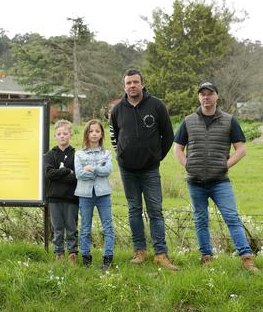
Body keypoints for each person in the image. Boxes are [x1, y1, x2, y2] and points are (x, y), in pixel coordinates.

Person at [173, 82, 260, 273]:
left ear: (216, 97)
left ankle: (246, 258)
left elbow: (242, 149)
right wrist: (187, 164)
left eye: (210, 94)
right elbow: (177, 148)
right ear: (199, 98)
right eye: (202, 94)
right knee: (201, 220)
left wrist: (225, 165)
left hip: (220, 182)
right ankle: (206, 257)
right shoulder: (188, 121)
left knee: (231, 217)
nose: (206, 97)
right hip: (195, 182)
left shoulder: (230, 121)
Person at [109, 69, 179, 271]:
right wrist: (121, 155)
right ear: (124, 86)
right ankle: (139, 251)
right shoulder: (117, 110)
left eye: (135, 82)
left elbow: (168, 135)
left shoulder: (156, 105)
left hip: (150, 170)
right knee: (134, 210)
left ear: (142, 84)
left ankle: (160, 254)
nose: (132, 86)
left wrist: (156, 157)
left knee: (155, 211)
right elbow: (115, 135)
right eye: (128, 83)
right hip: (127, 170)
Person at [74, 120, 115, 271]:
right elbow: (79, 173)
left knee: (108, 227)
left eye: (97, 131)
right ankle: (86, 258)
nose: (94, 134)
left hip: (103, 194)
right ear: (86, 133)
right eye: (91, 131)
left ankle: (108, 258)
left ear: (101, 134)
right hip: (85, 195)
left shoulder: (106, 153)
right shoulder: (79, 154)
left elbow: (108, 170)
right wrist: (97, 170)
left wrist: (92, 169)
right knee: (85, 228)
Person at [45, 119, 78, 264]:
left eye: (65, 133)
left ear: (70, 135)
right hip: (54, 198)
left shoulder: (76, 154)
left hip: (71, 198)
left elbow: (76, 177)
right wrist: (66, 171)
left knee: (71, 227)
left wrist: (59, 174)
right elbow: (49, 174)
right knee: (57, 227)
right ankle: (59, 252)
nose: (62, 136)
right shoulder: (50, 155)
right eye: (59, 134)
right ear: (55, 136)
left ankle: (72, 252)